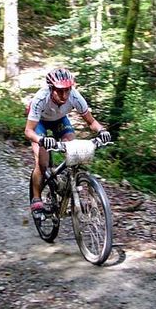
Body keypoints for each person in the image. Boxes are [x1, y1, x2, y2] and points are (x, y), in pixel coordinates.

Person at [24, 68, 111, 213]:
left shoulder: (75, 97)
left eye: (67, 90)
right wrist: (41, 139)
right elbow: (28, 130)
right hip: (39, 123)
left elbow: (91, 121)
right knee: (42, 161)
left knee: (73, 146)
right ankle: (36, 198)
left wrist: (102, 130)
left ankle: (68, 182)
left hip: (59, 120)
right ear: (51, 88)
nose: (64, 95)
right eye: (59, 90)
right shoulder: (41, 98)